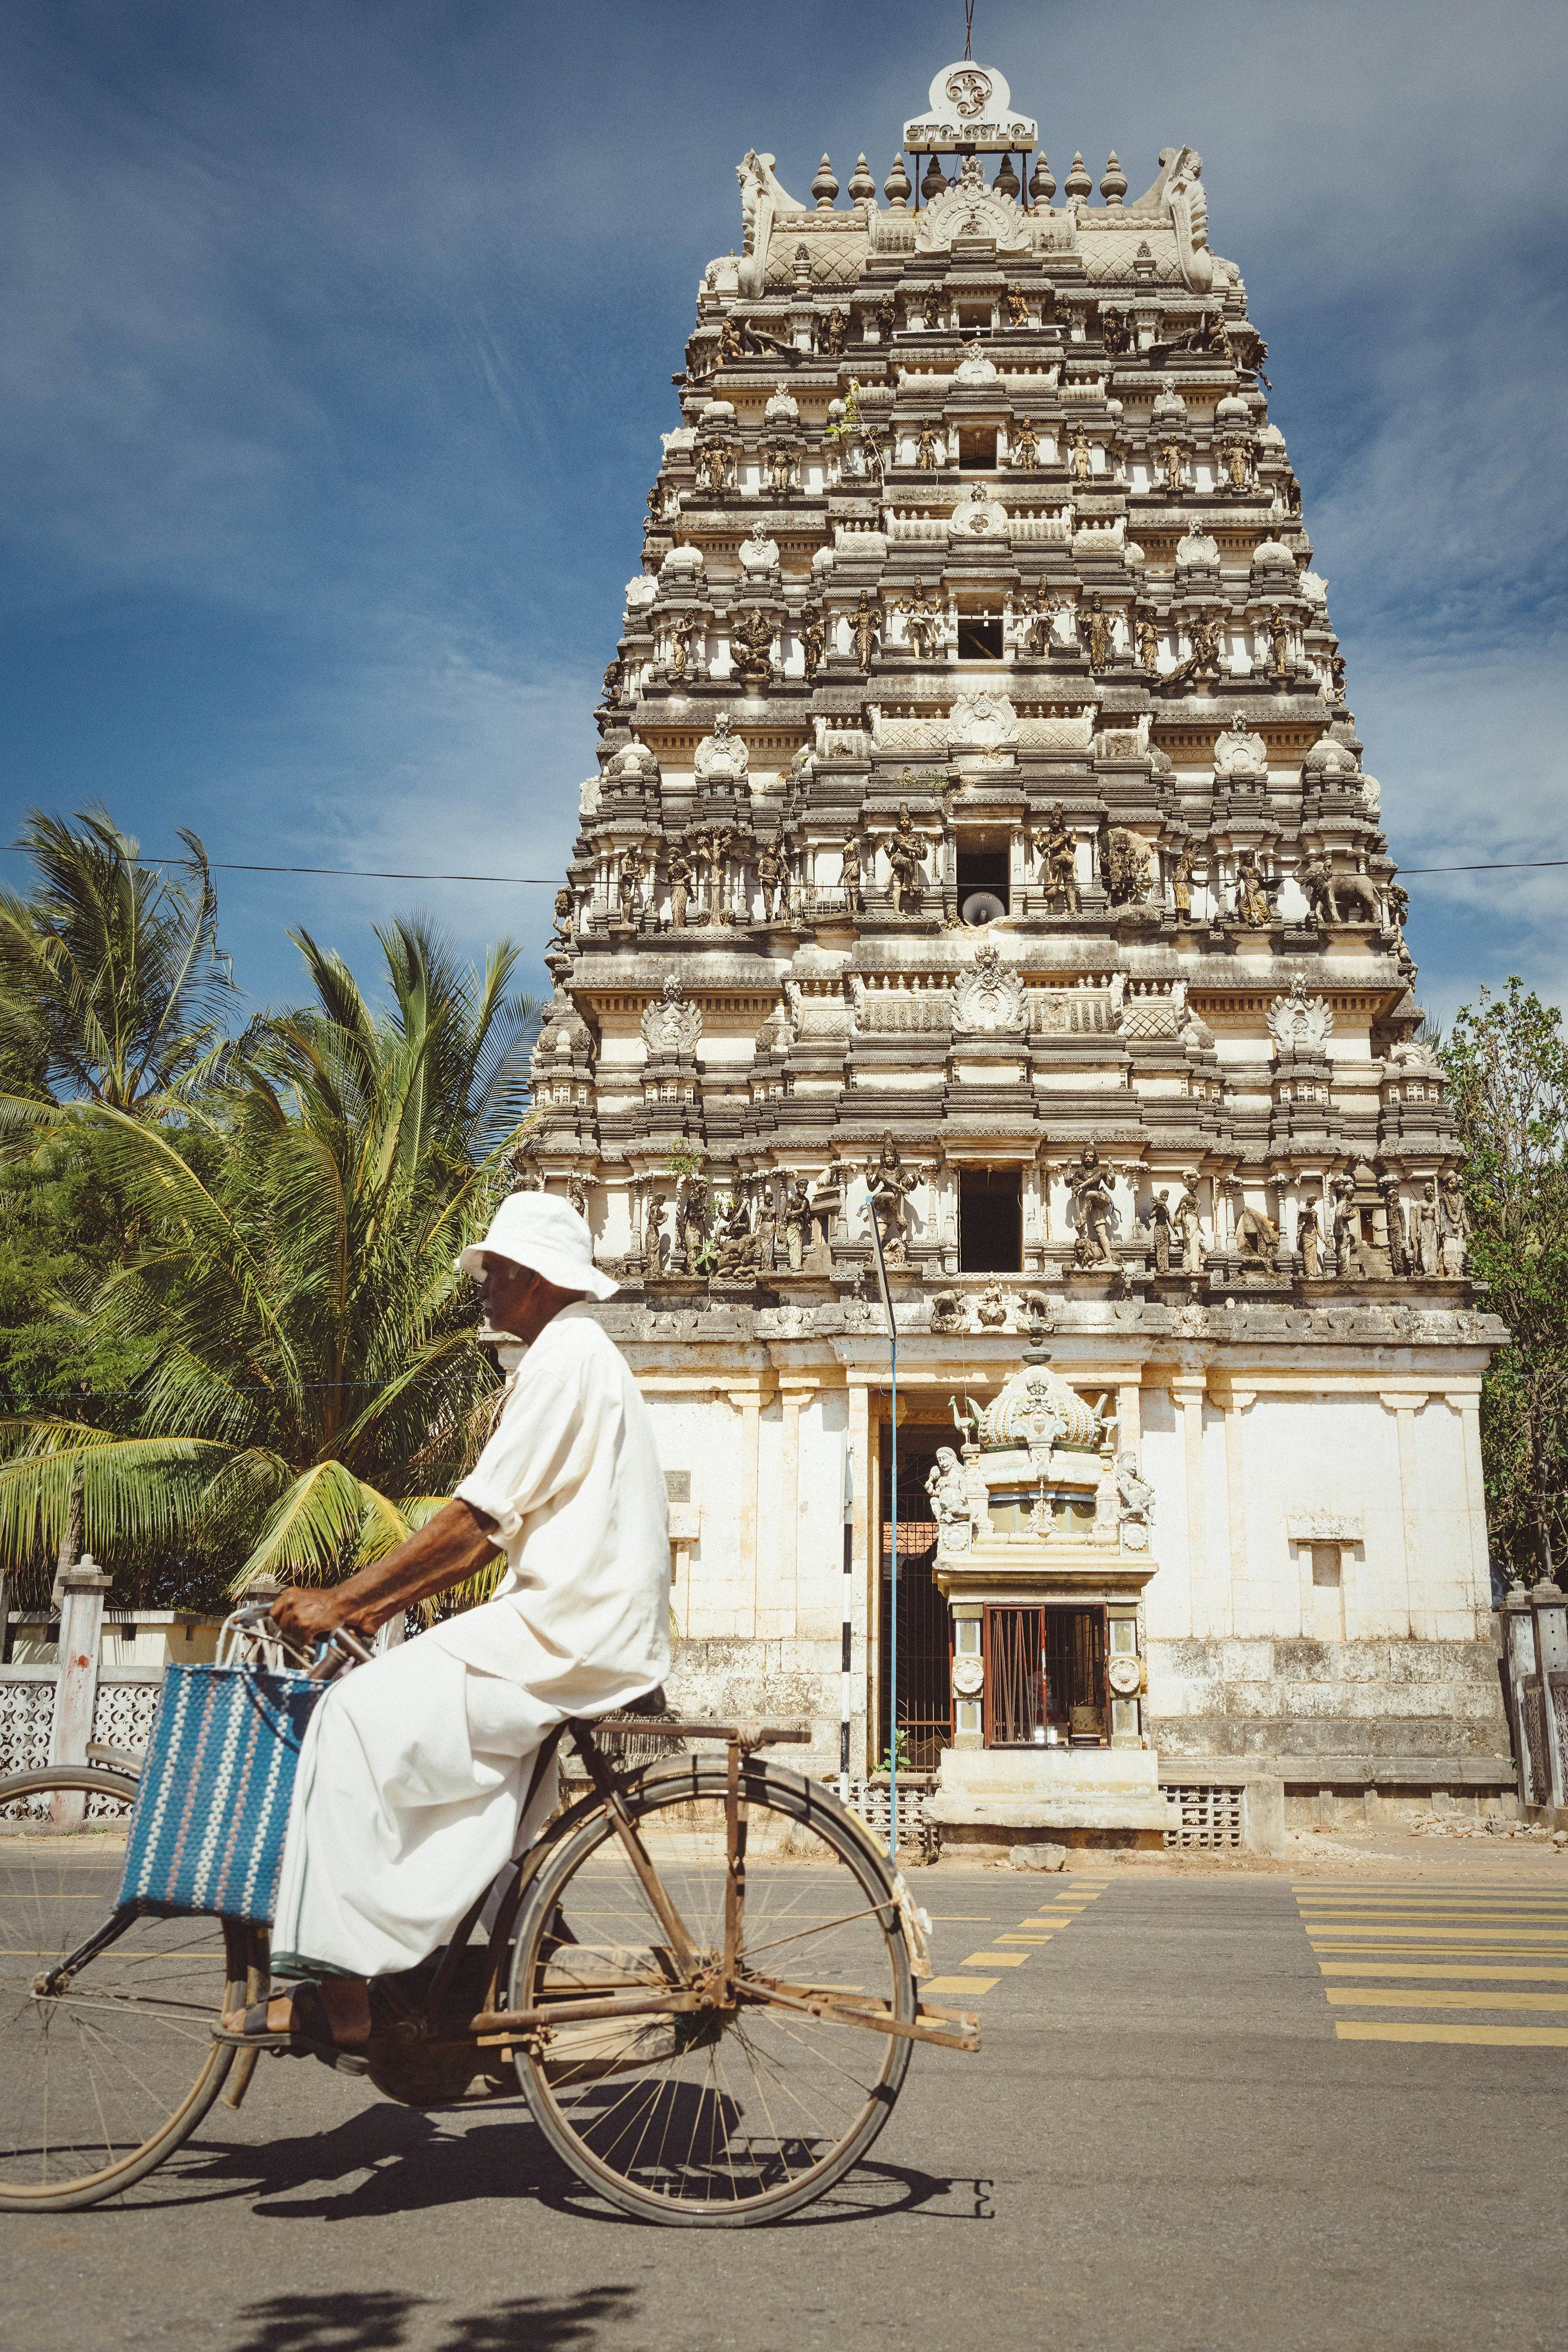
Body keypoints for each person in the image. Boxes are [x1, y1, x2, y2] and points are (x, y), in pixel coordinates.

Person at [219, 1194, 670, 2067]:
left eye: (497, 1273)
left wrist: (352, 1601)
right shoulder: (574, 1356)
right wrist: (366, 1600)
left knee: (349, 1722)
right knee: (436, 1765)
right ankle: (449, 1955)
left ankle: (341, 1999)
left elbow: (475, 1526)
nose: (485, 1289)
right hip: (579, 1621)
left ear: (538, 1282)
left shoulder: (567, 1358)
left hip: (566, 1628)